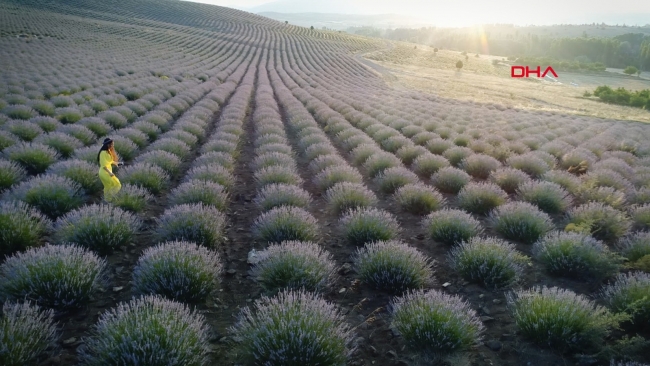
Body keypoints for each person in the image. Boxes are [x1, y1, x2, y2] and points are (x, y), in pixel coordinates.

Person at [97, 138, 121, 203]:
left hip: (107, 171)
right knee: (117, 184)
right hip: (104, 172)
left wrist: (116, 163)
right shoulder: (102, 153)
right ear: (108, 145)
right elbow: (104, 165)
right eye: (112, 144)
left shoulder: (108, 151)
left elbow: (109, 161)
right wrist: (110, 173)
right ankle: (110, 197)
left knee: (108, 186)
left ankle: (107, 200)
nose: (113, 145)